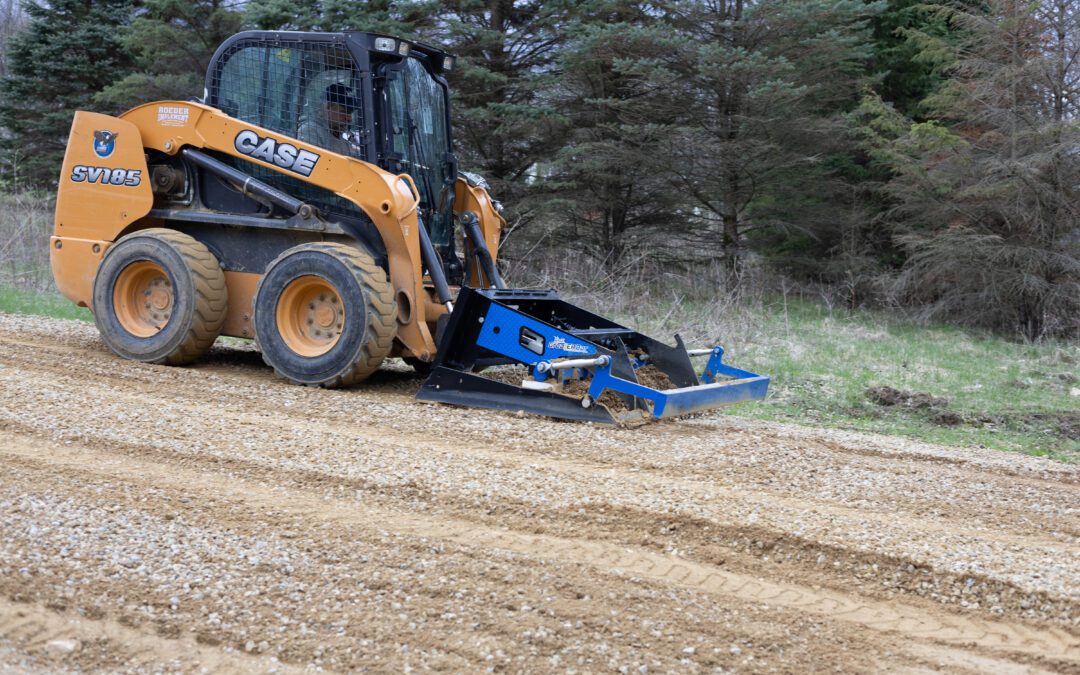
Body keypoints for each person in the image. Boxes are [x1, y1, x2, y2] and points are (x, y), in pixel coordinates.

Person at [298, 82, 362, 157]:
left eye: (350, 113)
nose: (349, 119)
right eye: (344, 112)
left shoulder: (341, 138)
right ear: (326, 107)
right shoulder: (310, 131)